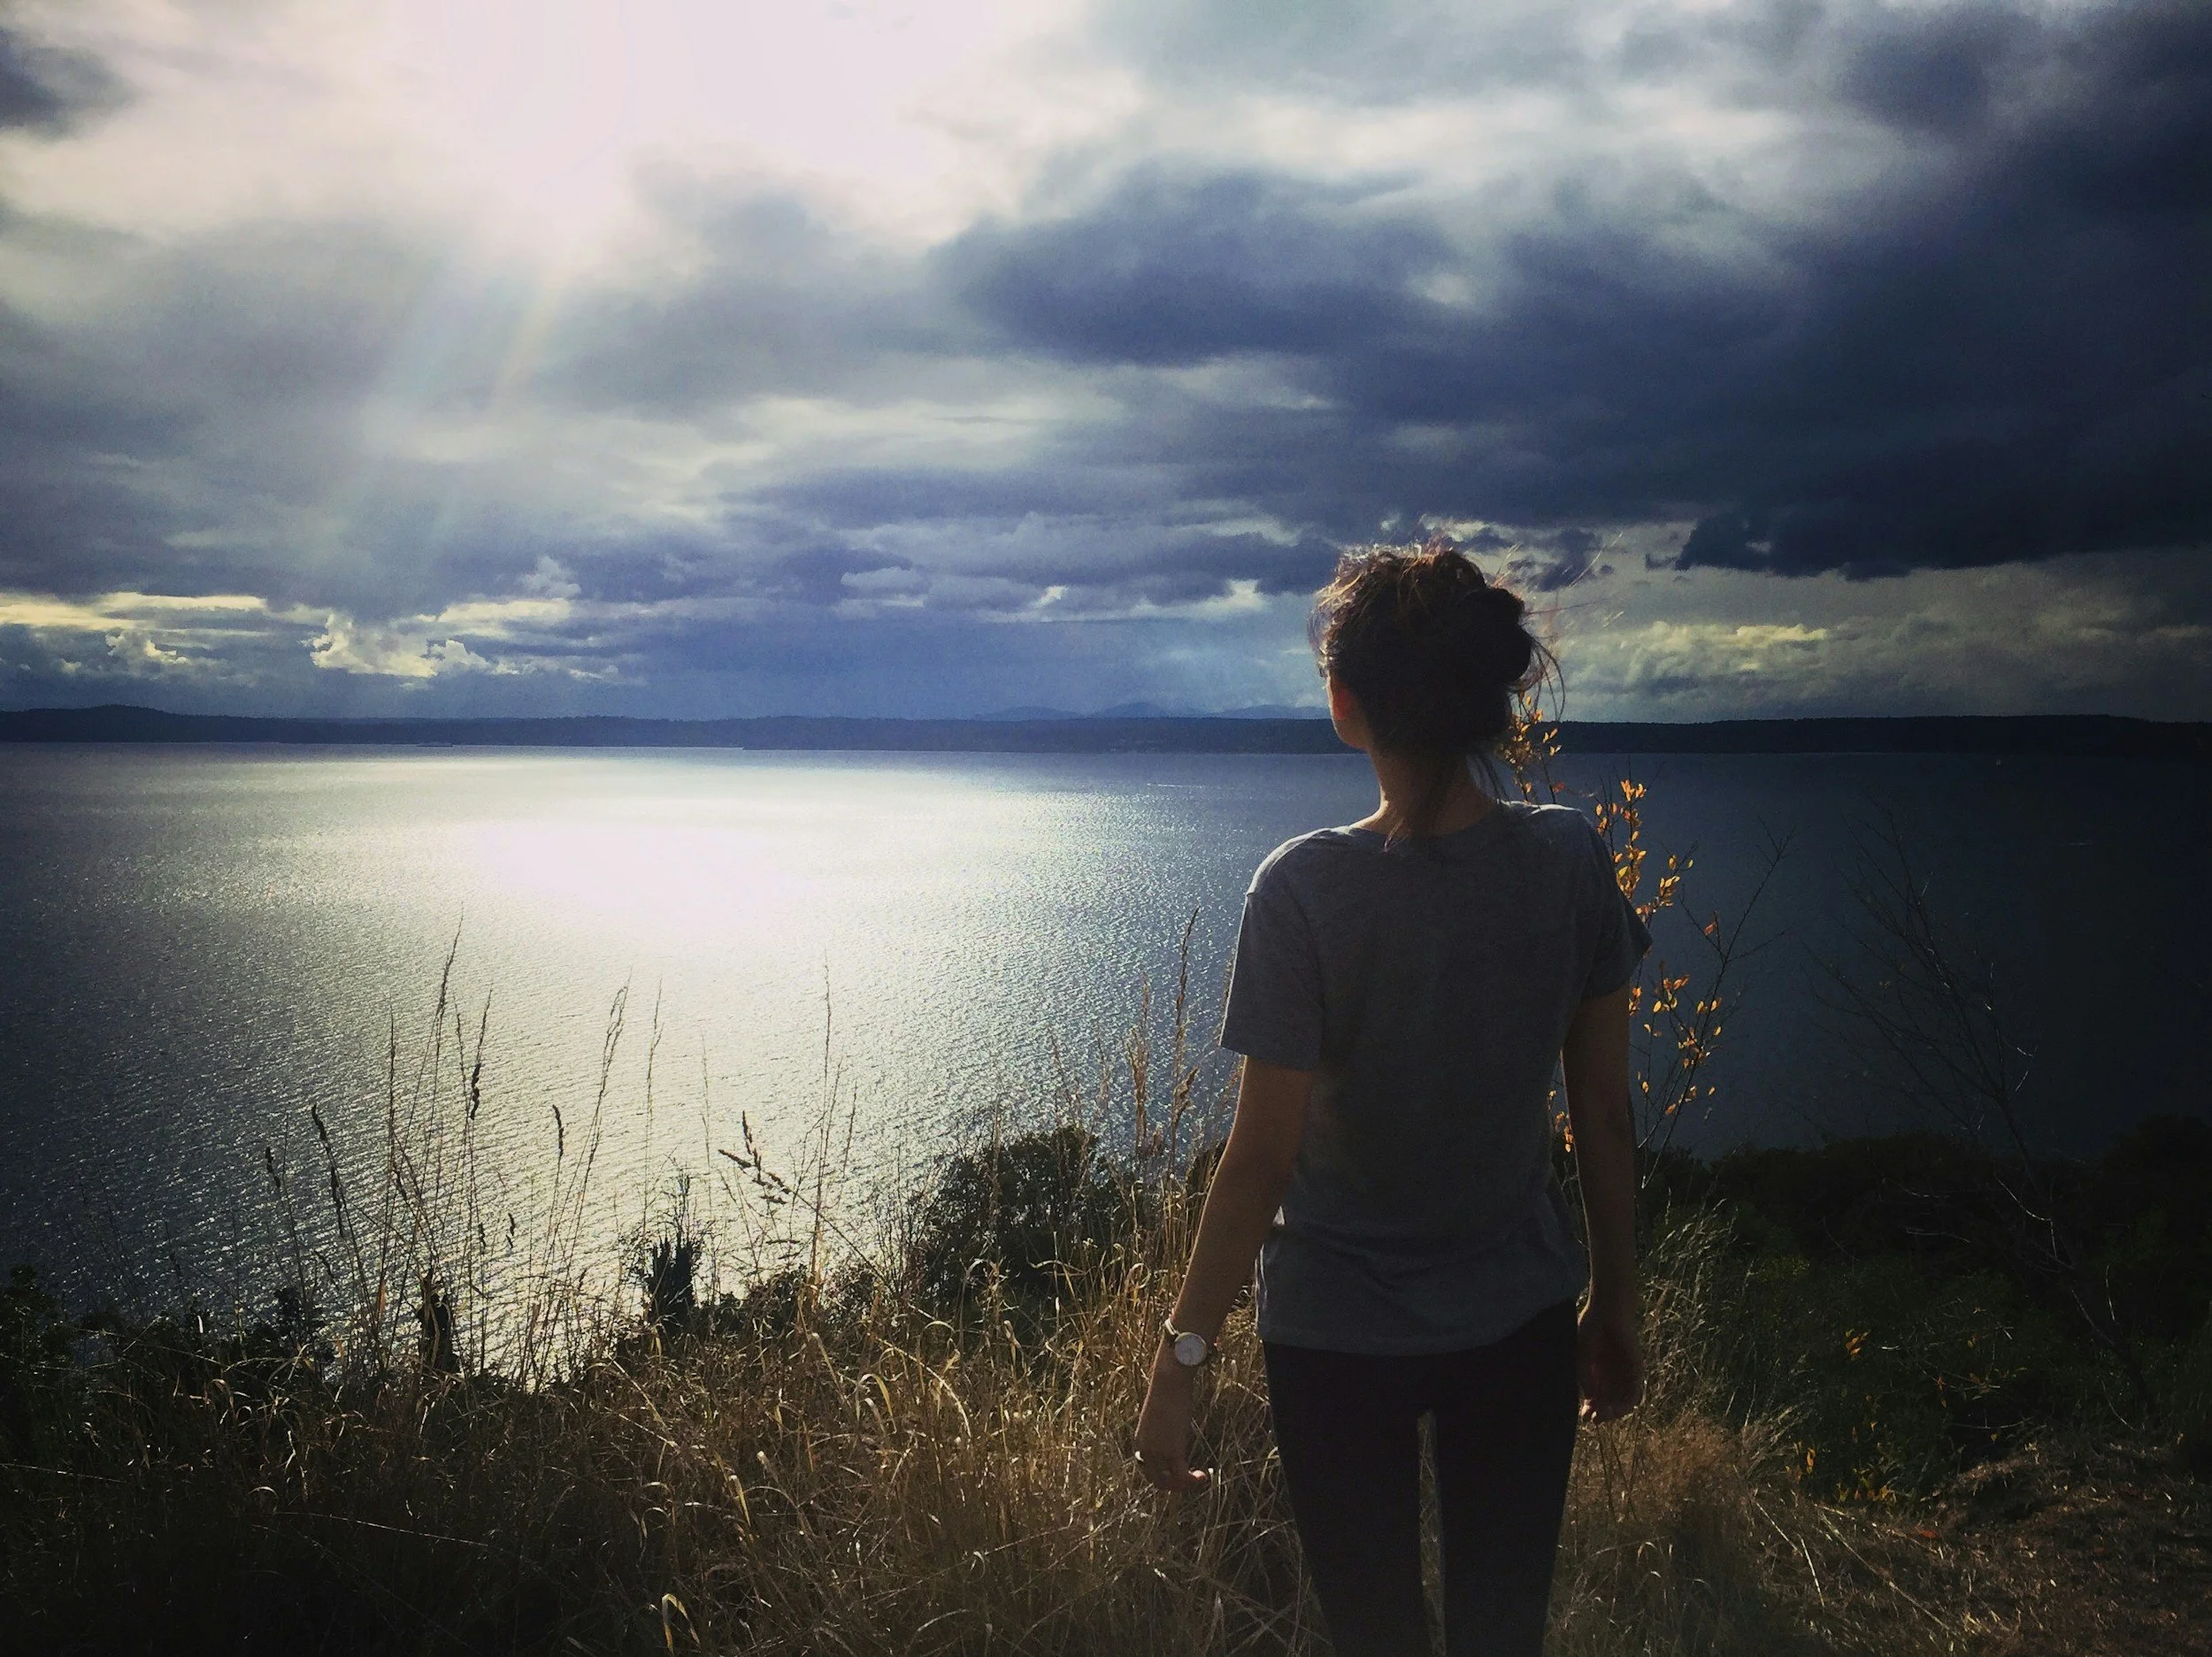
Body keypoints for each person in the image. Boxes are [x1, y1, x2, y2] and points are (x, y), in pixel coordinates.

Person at [1133, 539, 1650, 1657]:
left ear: (1344, 701)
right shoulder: (1568, 861)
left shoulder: (1300, 890)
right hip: (1515, 1318)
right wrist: (1616, 1297)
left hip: (1333, 1338)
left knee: (1373, 1636)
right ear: (1485, 700)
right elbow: (1601, 1111)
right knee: (1500, 1633)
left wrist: (1180, 1362)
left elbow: (1259, 1159)